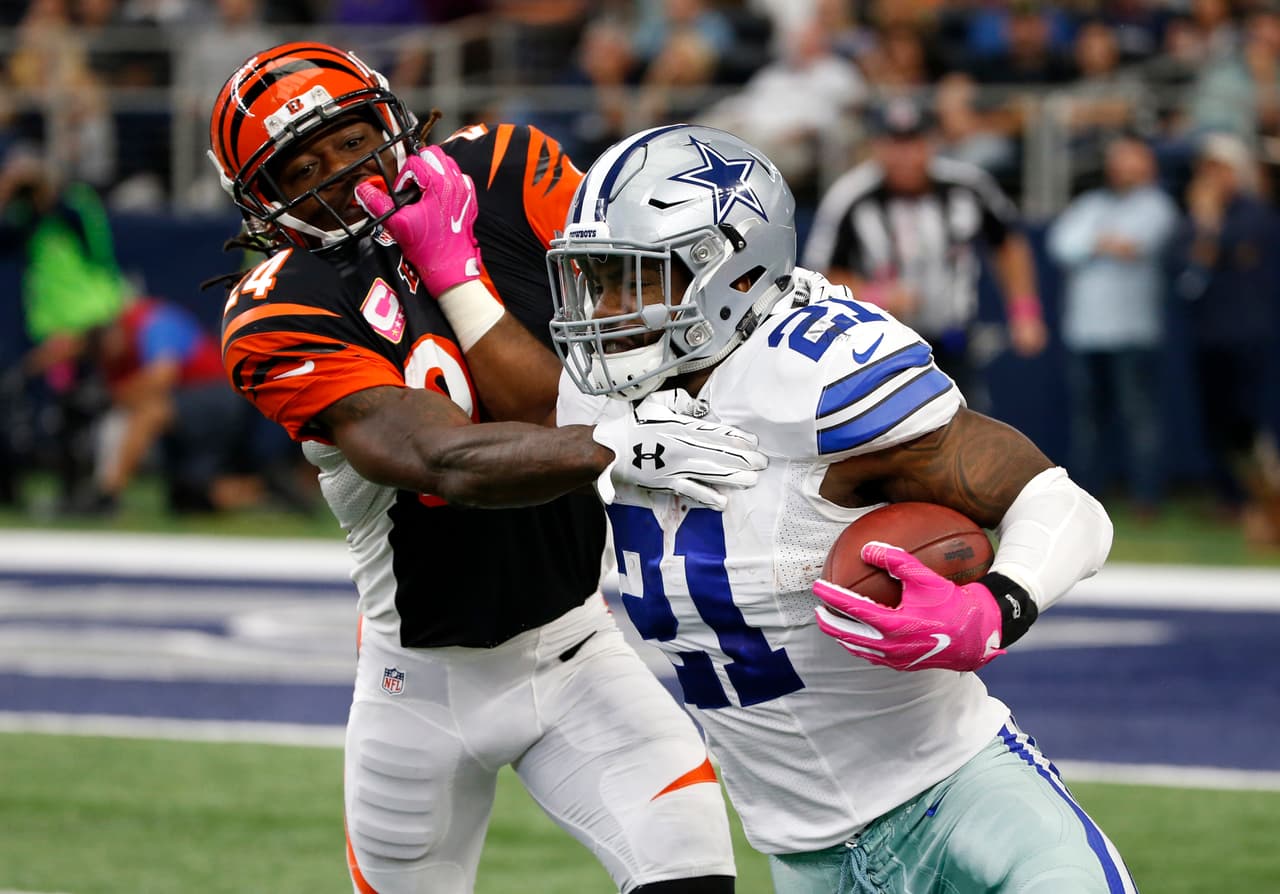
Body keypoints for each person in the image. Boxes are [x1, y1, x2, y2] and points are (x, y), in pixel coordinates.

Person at [206, 43, 758, 894]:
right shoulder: (279, 311)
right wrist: (629, 446)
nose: (342, 180)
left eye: (351, 142)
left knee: (695, 880)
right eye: (300, 171)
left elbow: (646, 336)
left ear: (390, 119)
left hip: (579, 649)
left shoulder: (506, 167)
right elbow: (448, 459)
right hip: (417, 690)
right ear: (263, 205)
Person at [550, 124, 1138, 893]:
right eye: (597, 279)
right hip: (803, 855)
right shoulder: (588, 396)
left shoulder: (815, 376)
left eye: (638, 279)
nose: (610, 309)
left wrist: (994, 608)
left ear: (730, 274)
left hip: (960, 793)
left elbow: (1066, 507)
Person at [802, 97, 1047, 408]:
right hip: (879, 349)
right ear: (877, 146)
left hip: (954, 341)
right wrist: (878, 296)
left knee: (963, 436)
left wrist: (1024, 311)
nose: (905, 156)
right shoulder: (851, 197)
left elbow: (1008, 244)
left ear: (932, 142)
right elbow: (819, 276)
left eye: (914, 143)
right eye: (895, 145)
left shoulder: (967, 186)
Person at [1047, 134, 1179, 518]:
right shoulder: (1091, 202)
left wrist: (1093, 244)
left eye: (1131, 160)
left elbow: (1136, 244)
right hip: (1086, 331)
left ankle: (1146, 498)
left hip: (1133, 330)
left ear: (1148, 165)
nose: (1123, 168)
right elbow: (1061, 245)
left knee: (1140, 416)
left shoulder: (1157, 205)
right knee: (1088, 420)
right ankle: (1087, 502)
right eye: (1118, 160)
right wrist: (1102, 244)